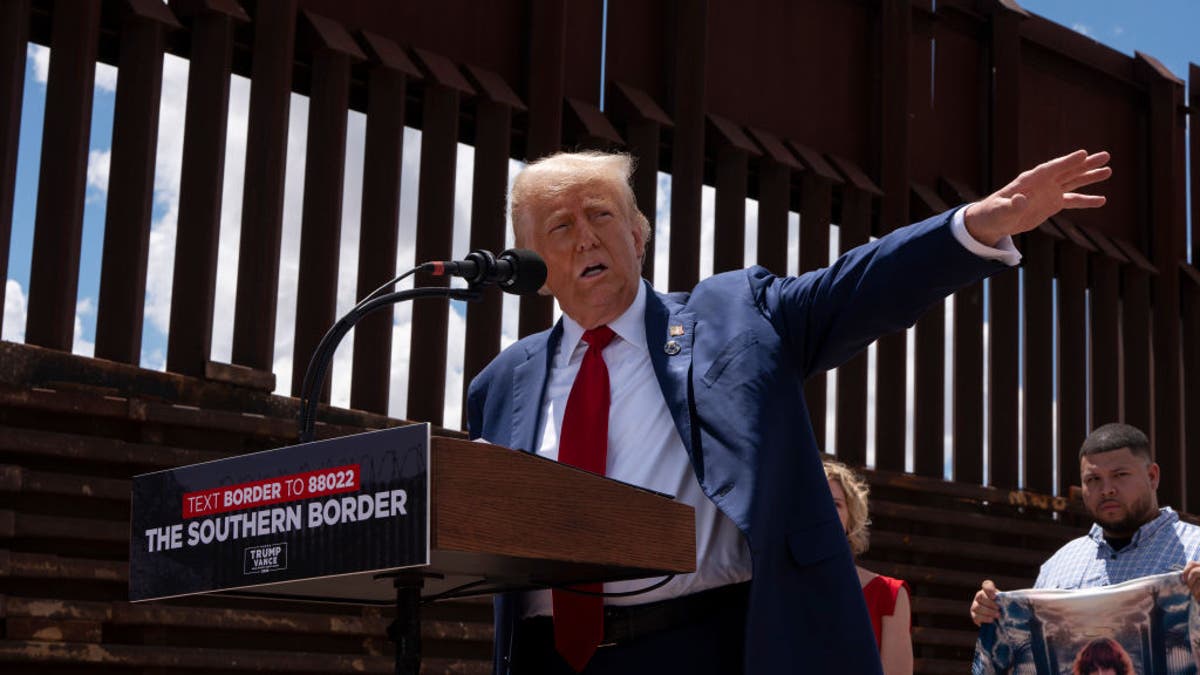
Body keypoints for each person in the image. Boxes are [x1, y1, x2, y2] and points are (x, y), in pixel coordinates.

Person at [468, 147, 1112, 675]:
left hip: (699, 645)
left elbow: (856, 287)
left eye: (601, 216)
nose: (585, 238)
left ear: (638, 235)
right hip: (544, 656)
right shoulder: (500, 384)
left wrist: (976, 226)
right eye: (559, 227)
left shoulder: (735, 317)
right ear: (532, 269)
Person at [970, 422, 1200, 626]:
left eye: (1120, 475)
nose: (1107, 489)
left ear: (1152, 477)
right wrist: (997, 615)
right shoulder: (1057, 567)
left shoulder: (1196, 548)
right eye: (1093, 479)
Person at [824, 458, 913, 675]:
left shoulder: (889, 594)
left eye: (835, 504)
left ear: (850, 520)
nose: (824, 509)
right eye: (815, 501)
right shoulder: (776, 588)